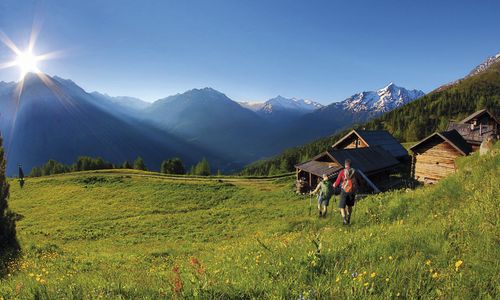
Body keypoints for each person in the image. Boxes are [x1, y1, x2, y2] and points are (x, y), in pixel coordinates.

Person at [333, 159, 358, 225]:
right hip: (352, 191)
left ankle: (344, 220)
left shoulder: (342, 172)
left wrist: (334, 185)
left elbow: (337, 182)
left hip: (344, 191)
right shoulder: (354, 172)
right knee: (349, 206)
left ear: (345, 164)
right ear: (351, 165)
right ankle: (349, 218)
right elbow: (359, 181)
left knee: (342, 206)